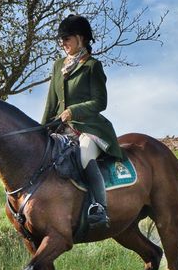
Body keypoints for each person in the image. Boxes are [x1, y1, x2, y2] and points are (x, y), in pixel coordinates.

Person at [41, 14, 124, 229]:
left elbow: (100, 102)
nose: (63, 43)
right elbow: (51, 103)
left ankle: (99, 208)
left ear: (80, 38)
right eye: (61, 40)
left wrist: (73, 111)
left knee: (85, 155)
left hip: (90, 129)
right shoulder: (59, 65)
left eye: (66, 38)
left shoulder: (93, 66)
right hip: (62, 128)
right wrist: (41, 131)